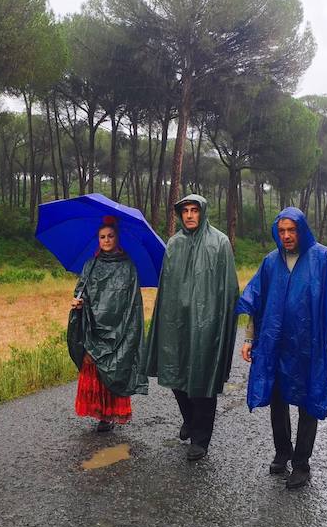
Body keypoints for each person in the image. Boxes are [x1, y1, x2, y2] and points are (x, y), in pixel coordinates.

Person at [237, 207, 327, 489]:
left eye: (291, 230)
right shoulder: (270, 262)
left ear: (302, 229)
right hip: (275, 343)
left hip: (309, 345)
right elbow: (257, 303)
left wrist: (326, 335)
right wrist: (249, 339)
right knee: (277, 397)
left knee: (308, 399)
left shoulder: (324, 259)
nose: (286, 236)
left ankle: (301, 464)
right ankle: (283, 452)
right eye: (281, 231)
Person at [144, 195, 239, 461]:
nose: (189, 215)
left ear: (202, 212)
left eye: (194, 210)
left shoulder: (219, 243)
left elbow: (229, 287)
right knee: (176, 375)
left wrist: (219, 321)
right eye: (184, 211)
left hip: (207, 324)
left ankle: (201, 439)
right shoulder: (174, 244)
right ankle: (190, 419)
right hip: (178, 322)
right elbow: (167, 286)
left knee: (202, 380)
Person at [68, 216, 147, 432]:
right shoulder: (90, 265)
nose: (106, 240)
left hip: (119, 329)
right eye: (102, 237)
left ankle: (112, 414)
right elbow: (81, 291)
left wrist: (125, 330)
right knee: (95, 368)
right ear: (98, 240)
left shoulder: (128, 266)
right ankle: (101, 414)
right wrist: (77, 302)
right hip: (94, 328)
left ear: (117, 237)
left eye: (110, 236)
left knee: (114, 368)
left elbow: (132, 304)